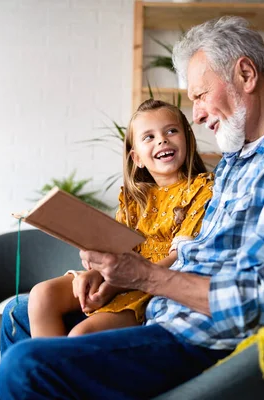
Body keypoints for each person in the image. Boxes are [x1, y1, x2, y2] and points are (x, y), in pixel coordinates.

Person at [0, 16, 264, 400]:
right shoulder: (239, 161)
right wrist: (117, 279)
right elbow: (199, 250)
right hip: (170, 314)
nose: (198, 115)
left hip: (207, 343)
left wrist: (144, 277)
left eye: (200, 95)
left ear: (245, 74)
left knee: (27, 366)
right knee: (19, 315)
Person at [29, 99, 214, 338]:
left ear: (188, 141)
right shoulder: (134, 198)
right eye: (149, 137)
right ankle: (45, 372)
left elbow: (180, 256)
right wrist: (96, 273)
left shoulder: (202, 190)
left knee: (81, 335)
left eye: (171, 131)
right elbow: (116, 251)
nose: (162, 140)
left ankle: (62, 370)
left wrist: (115, 283)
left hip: (154, 285)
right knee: (42, 295)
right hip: (116, 274)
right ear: (136, 158)